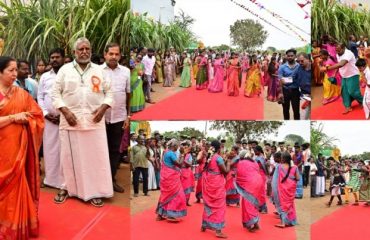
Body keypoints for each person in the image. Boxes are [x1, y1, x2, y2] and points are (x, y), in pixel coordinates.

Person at [52, 37, 113, 207]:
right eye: (81, 49)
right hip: (71, 121)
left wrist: (103, 109)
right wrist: (65, 111)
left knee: (95, 158)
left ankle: (95, 191)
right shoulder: (64, 70)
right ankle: (66, 188)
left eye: (87, 48)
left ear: (91, 51)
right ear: (74, 52)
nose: (84, 51)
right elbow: (55, 94)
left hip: (95, 121)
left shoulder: (100, 71)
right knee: (68, 157)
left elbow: (109, 93)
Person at [0, 56, 44, 239]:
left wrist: (28, 119)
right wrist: (13, 118)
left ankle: (15, 225)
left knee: (16, 186)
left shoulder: (21, 94)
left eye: (15, 70)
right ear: (0, 72)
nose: (14, 74)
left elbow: (37, 115)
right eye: (10, 70)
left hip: (18, 150)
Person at [102, 43, 130, 193]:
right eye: (110, 54)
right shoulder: (97, 71)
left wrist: (128, 115)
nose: (113, 57)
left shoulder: (126, 72)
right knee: (100, 149)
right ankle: (100, 181)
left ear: (120, 56)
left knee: (115, 150)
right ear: (105, 54)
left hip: (119, 117)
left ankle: (111, 179)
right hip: (100, 119)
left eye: (116, 54)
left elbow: (128, 94)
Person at [37, 48, 65, 189]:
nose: (54, 59)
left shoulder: (69, 75)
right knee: (49, 150)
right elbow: (40, 97)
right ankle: (50, 179)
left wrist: (64, 115)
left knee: (65, 150)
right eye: (52, 57)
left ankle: (65, 181)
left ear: (64, 58)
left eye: (57, 57)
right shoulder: (45, 77)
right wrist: (46, 113)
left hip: (66, 120)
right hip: (49, 120)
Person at [320, 43, 363, 114]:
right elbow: (338, 65)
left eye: (339, 50)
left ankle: (362, 101)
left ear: (344, 48)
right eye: (336, 51)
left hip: (352, 75)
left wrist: (326, 68)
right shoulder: (338, 54)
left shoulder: (348, 53)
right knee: (344, 92)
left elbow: (341, 64)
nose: (337, 52)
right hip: (344, 76)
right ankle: (348, 107)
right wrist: (334, 74)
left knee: (353, 92)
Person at [201, 140, 230, 238]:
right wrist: (229, 163)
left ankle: (204, 225)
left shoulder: (209, 157)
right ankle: (218, 230)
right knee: (219, 206)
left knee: (208, 204)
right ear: (219, 148)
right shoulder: (218, 158)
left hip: (210, 182)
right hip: (217, 184)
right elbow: (225, 172)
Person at [156, 139, 187, 222]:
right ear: (174, 146)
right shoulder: (171, 154)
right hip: (171, 179)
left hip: (166, 177)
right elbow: (180, 164)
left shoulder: (166, 152)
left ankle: (160, 214)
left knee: (165, 195)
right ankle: (171, 215)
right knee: (177, 195)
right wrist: (183, 154)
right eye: (177, 146)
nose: (178, 147)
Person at [235, 150, 263, 232]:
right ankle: (255, 224)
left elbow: (240, 175)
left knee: (248, 204)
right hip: (258, 182)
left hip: (250, 184)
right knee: (252, 203)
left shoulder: (241, 162)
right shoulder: (254, 162)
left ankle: (252, 223)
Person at [272, 152, 299, 228]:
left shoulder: (279, 167)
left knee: (283, 205)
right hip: (291, 189)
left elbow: (275, 180)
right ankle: (290, 221)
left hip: (282, 189)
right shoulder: (295, 167)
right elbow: (298, 178)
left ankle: (283, 222)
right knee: (290, 205)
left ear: (283, 159)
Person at [278, 49, 300, 120]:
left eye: (292, 56)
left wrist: (287, 80)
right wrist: (281, 93)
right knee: (285, 111)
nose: (290, 57)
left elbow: (300, 78)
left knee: (296, 111)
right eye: (288, 56)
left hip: (295, 91)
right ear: (286, 56)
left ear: (295, 56)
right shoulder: (282, 67)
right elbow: (280, 80)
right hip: (285, 91)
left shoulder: (299, 66)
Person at [254, 146, 268, 213]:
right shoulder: (257, 157)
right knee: (258, 191)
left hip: (261, 175)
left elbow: (264, 168)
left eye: (255, 151)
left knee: (262, 192)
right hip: (257, 175)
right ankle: (259, 206)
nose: (254, 152)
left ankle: (264, 208)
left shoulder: (262, 158)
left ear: (259, 151)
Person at [180, 141, 194, 206]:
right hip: (180, 172)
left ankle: (187, 201)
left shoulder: (189, 155)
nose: (185, 148)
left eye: (186, 147)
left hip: (187, 172)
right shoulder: (180, 155)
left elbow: (190, 164)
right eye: (184, 147)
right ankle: (180, 201)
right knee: (181, 187)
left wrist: (184, 160)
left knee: (187, 186)